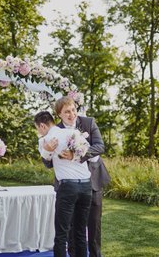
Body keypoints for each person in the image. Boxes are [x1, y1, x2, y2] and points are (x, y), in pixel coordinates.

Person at [42, 96, 111, 257]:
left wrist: (77, 153)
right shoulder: (55, 131)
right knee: (72, 229)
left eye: (73, 109)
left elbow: (100, 147)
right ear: (59, 114)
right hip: (68, 186)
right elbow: (47, 163)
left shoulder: (88, 122)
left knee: (93, 227)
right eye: (67, 112)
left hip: (92, 182)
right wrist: (47, 151)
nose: (72, 114)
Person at [34, 111, 92, 257]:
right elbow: (88, 152)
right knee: (80, 232)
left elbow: (47, 164)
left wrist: (47, 151)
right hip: (86, 186)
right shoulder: (73, 133)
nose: (39, 132)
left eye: (38, 128)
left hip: (68, 188)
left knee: (61, 234)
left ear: (42, 125)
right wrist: (74, 155)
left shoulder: (45, 140)